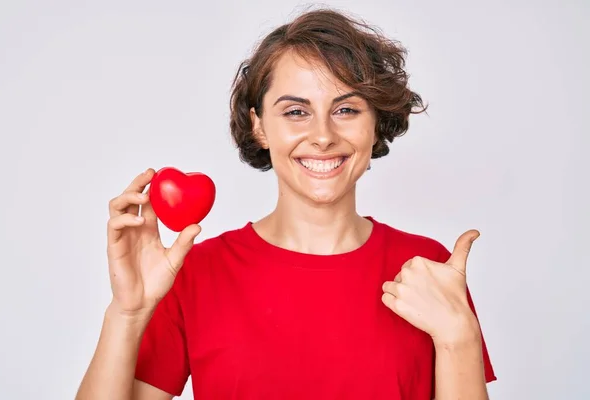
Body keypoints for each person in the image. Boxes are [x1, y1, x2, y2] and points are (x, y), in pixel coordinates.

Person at [76, 8, 496, 400]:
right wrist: (127, 315)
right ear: (260, 126)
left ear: (375, 123)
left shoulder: (427, 268)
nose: (323, 135)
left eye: (346, 109)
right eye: (296, 111)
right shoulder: (195, 273)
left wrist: (458, 337)